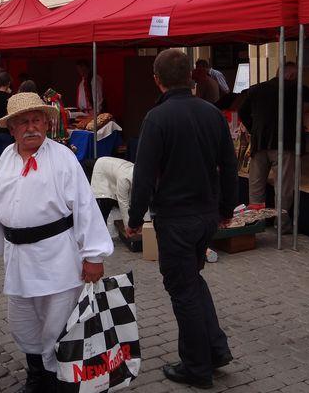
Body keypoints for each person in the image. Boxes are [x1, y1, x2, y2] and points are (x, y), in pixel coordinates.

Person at [0, 92, 114, 392]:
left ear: (47, 123)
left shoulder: (62, 158)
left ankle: (58, 380)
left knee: (58, 324)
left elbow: (85, 206)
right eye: (23, 122)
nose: (31, 127)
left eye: (37, 120)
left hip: (57, 259)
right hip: (18, 259)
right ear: (11, 128)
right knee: (24, 322)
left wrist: (93, 255)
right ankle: (36, 375)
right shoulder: (6, 158)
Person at [127, 49, 237, 389]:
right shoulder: (211, 113)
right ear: (191, 76)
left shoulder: (157, 118)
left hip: (176, 218)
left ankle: (196, 367)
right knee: (192, 281)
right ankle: (215, 349)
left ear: (157, 80)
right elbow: (229, 165)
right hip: (205, 215)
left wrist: (134, 218)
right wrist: (226, 209)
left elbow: (144, 175)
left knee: (183, 289)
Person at [237, 61, 309, 232]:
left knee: (256, 187)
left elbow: (242, 112)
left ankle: (255, 224)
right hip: (284, 144)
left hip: (259, 143)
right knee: (283, 188)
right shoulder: (295, 89)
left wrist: (254, 129)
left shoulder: (256, 89)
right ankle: (282, 225)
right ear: (291, 75)